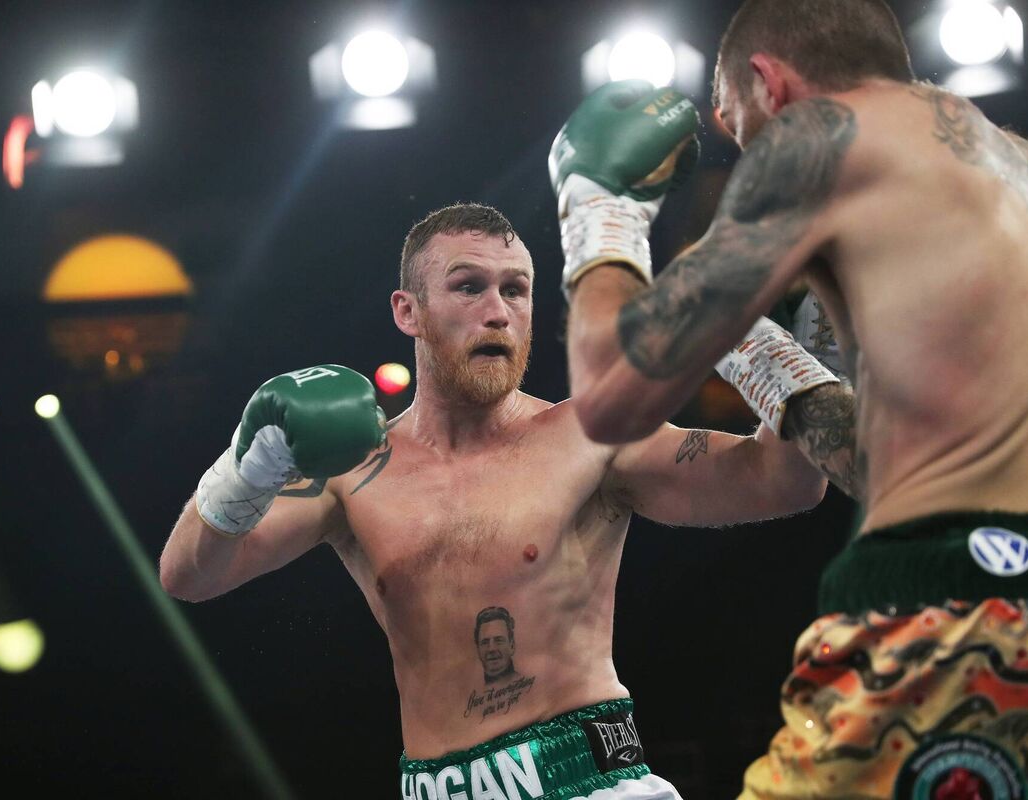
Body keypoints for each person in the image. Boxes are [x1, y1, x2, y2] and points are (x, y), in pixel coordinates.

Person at [549, 0, 1028, 797]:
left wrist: (599, 207)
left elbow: (609, 394)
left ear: (769, 85)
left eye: (734, 122)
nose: (741, 149)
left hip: (943, 613)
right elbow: (890, 463)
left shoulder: (816, 139)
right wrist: (766, 358)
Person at [160, 202, 841, 799]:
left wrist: (773, 349)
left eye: (516, 290)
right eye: (468, 287)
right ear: (409, 311)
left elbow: (787, 480)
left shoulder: (591, 435)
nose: (497, 311)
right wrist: (248, 468)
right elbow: (190, 575)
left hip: (592, 783)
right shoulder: (354, 472)